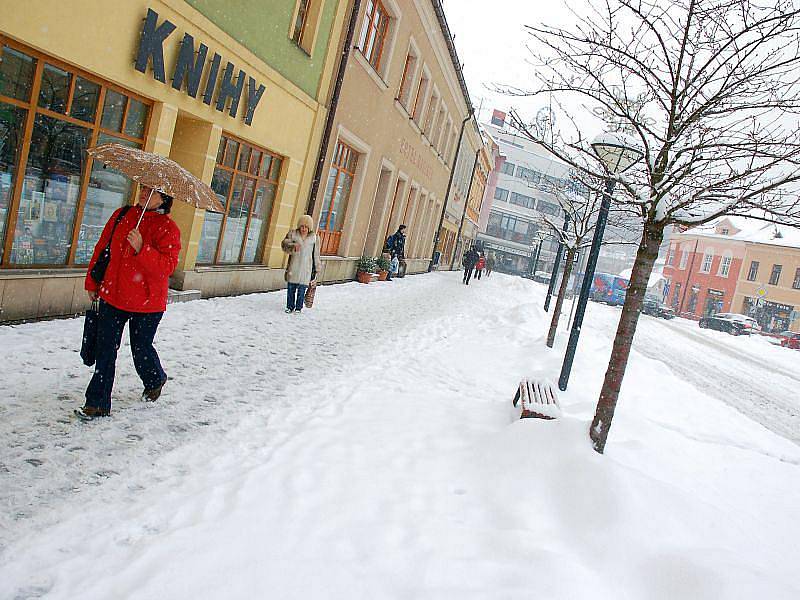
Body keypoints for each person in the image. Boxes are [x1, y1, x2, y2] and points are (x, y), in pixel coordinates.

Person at [75, 186, 181, 420]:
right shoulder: (122, 215)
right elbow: (102, 249)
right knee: (105, 350)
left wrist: (142, 248)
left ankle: (154, 378)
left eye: (151, 191)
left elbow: (167, 267)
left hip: (147, 303)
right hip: (113, 296)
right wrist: (92, 282)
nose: (143, 193)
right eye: (143, 188)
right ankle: (97, 403)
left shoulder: (168, 228)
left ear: (164, 199)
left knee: (141, 349)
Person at [282, 214, 322, 314]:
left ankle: (298, 308)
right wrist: (292, 245)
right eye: (302, 226)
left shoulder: (315, 238)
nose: (303, 229)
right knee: (291, 289)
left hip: (306, 269)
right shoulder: (293, 234)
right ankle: (290, 306)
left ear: (309, 228)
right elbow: (284, 244)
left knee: (301, 291)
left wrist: (316, 268)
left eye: (306, 227)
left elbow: (316, 255)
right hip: (294, 267)